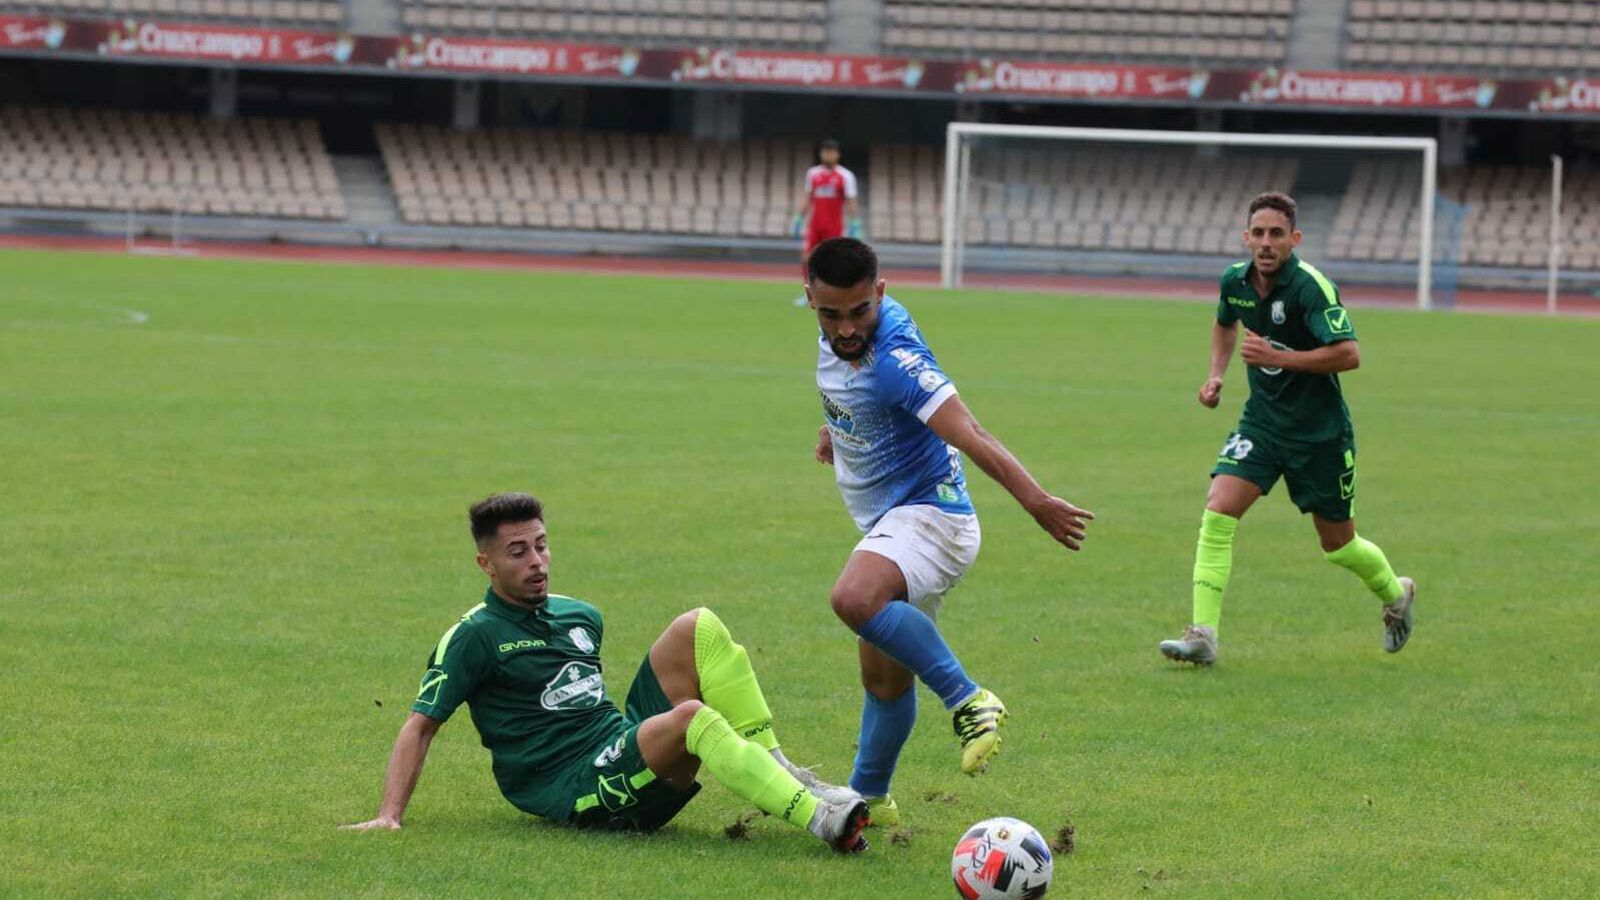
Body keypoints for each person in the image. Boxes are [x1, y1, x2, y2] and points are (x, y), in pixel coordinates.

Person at [342, 493, 870, 853]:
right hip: (574, 788)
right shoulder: (473, 637)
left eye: (542, 545)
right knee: (692, 718)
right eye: (517, 552)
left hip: (614, 747)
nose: (537, 562)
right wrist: (390, 814)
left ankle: (788, 773)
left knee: (698, 625)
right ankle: (818, 818)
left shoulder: (580, 615)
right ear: (486, 564)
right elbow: (420, 725)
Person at [805, 238, 1094, 827]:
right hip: (896, 521)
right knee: (883, 676)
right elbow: (850, 387)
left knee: (854, 598)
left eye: (860, 311)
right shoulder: (843, 337)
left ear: (880, 294)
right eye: (830, 314)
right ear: (809, 297)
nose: (847, 327)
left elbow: (971, 432)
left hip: (933, 517)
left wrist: (1035, 500)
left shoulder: (894, 364)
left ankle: (969, 699)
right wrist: (837, 430)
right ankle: (870, 799)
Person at [1159, 192, 1416, 667]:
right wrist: (1216, 374)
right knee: (1218, 511)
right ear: (1245, 237)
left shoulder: (1311, 288)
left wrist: (1278, 358)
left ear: (1294, 239)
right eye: (1258, 233)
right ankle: (1203, 634)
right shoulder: (1234, 282)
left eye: (1276, 233)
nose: (1266, 242)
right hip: (1262, 423)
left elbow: (1348, 353)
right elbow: (1224, 324)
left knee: (1338, 545)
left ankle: (1394, 593)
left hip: (1319, 435)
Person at [792, 138, 861, 278]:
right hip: (815, 225)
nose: (828, 155)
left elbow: (851, 201)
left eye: (831, 152)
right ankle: (809, 293)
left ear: (837, 154)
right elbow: (807, 197)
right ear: (821, 154)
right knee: (807, 257)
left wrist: (855, 223)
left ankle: (832, 293)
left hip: (834, 226)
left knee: (834, 261)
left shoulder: (846, 176)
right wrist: (798, 218)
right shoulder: (813, 174)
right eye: (825, 152)